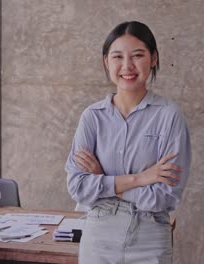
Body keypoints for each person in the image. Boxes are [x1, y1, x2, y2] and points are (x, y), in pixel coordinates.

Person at [65, 21, 191, 264]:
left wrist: (103, 179)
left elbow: (165, 197)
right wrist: (141, 178)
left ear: (153, 59)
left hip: (149, 236)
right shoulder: (92, 116)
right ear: (106, 62)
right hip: (98, 235)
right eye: (117, 57)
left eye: (137, 55)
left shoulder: (169, 116)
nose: (127, 66)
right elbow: (78, 187)